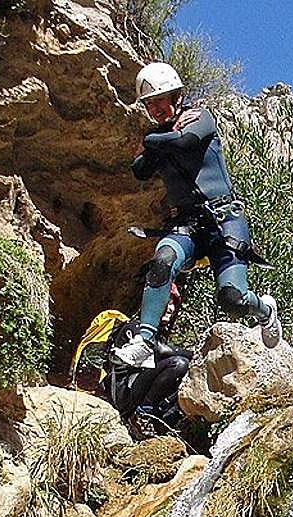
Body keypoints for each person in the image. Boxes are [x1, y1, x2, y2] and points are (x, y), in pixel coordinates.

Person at [112, 61, 281, 367]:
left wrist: (152, 141)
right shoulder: (160, 135)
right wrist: (157, 140)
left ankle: (265, 310)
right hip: (185, 224)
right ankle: (144, 341)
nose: (156, 109)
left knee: (232, 298)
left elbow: (186, 141)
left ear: (176, 96)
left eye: (160, 100)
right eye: (150, 104)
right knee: (162, 262)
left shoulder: (200, 117)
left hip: (223, 220)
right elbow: (139, 170)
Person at [102, 281, 193, 436]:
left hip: (136, 390)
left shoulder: (157, 332)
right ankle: (141, 416)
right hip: (122, 393)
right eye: (167, 302)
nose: (171, 308)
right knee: (179, 364)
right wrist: (199, 353)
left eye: (173, 304)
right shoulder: (137, 327)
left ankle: (162, 420)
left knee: (185, 369)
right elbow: (160, 351)